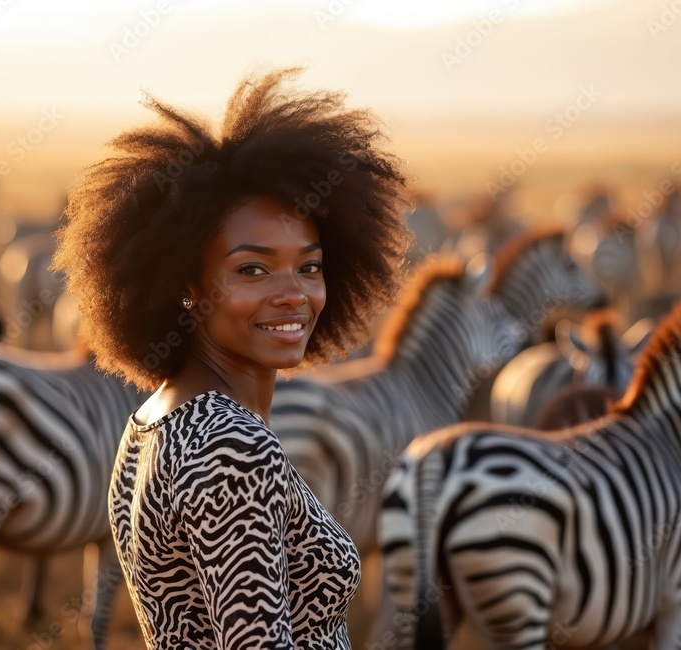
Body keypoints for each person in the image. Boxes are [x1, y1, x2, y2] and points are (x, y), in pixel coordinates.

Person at [51, 67, 413, 649]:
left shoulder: (154, 421)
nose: (294, 291)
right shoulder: (230, 444)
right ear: (186, 284)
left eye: (311, 266)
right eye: (252, 269)